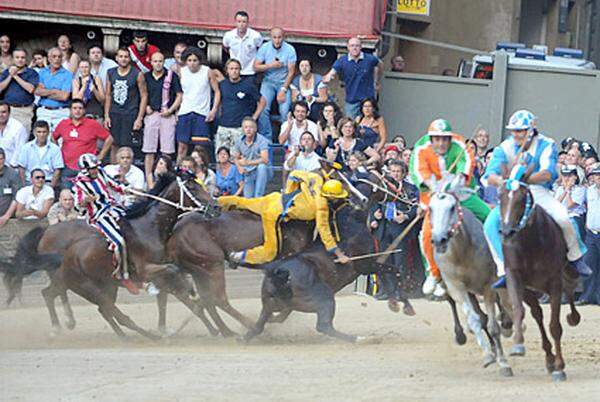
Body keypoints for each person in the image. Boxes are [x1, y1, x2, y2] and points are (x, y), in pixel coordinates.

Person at [482, 110, 591, 288]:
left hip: (538, 190)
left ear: (531, 131)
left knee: (564, 217)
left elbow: (548, 173)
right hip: (513, 191)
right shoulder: (505, 147)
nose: (517, 135)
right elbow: (490, 175)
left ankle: (575, 257)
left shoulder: (547, 144)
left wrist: (523, 178)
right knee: (489, 226)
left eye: (521, 131)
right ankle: (503, 269)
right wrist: (504, 181)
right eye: (514, 131)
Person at [409, 118, 491, 297]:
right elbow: (417, 172)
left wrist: (457, 179)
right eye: (437, 139)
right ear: (431, 140)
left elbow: (467, 162)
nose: (441, 143)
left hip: (460, 192)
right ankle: (434, 274)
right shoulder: (421, 148)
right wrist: (433, 186)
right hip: (434, 196)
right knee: (427, 234)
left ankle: (499, 261)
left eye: (444, 139)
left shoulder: (460, 143)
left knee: (489, 216)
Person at [218, 170, 352, 265]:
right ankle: (240, 256)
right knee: (270, 252)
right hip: (274, 214)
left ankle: (216, 202)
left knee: (243, 201)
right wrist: (340, 255)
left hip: (274, 198)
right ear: (332, 197)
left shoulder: (316, 180)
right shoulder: (321, 208)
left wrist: (289, 192)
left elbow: (294, 175)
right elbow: (325, 233)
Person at [72, 153, 138, 293]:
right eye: (92, 169)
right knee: (119, 241)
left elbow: (114, 185)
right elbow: (78, 205)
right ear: (85, 170)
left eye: (96, 167)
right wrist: (86, 201)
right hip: (98, 216)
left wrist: (128, 190)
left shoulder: (101, 172)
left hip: (114, 208)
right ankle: (123, 275)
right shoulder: (79, 183)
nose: (95, 170)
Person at [369, 159, 419, 301]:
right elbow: (374, 202)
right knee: (385, 261)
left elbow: (416, 207)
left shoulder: (410, 188)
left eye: (398, 172)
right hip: (384, 228)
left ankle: (399, 291)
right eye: (393, 171)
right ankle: (385, 290)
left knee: (399, 262)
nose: (395, 174)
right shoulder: (383, 186)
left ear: (403, 174)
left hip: (400, 229)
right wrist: (374, 215)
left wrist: (405, 216)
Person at [53, 99, 113, 189]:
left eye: (80, 108)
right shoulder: (63, 124)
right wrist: (58, 153)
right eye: (75, 108)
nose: (77, 110)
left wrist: (101, 155)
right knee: (68, 196)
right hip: (67, 167)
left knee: (87, 195)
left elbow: (109, 138)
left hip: (87, 169)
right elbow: (53, 137)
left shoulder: (93, 124)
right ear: (70, 110)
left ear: (84, 110)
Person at [176, 47, 220, 162]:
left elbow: (217, 91)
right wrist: (176, 109)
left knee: (199, 149)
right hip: (185, 112)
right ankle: (179, 173)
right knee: (181, 148)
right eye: (189, 60)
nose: (192, 63)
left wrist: (213, 110)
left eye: (195, 60)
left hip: (201, 113)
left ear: (199, 60)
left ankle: (200, 174)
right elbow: (179, 93)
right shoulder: (181, 71)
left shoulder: (207, 71)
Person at [142, 51, 182, 178]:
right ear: (151, 62)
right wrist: (146, 107)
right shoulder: (146, 76)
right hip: (152, 113)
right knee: (149, 149)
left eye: (160, 61)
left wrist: (171, 110)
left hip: (167, 115)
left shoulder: (171, 75)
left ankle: (166, 178)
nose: (158, 64)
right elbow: (142, 94)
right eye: (155, 61)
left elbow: (179, 95)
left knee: (167, 150)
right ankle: (148, 178)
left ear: (164, 62)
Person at [322, 37, 383, 118]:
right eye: (352, 46)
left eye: (357, 46)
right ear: (348, 47)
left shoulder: (369, 59)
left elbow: (380, 65)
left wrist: (377, 81)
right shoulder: (342, 61)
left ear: (361, 47)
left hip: (368, 101)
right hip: (352, 101)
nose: (354, 48)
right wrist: (328, 77)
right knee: (350, 125)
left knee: (370, 126)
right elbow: (332, 71)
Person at [105, 47, 147, 162]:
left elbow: (144, 96)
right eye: (121, 56)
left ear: (129, 58)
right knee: (114, 144)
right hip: (114, 113)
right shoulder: (110, 72)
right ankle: (113, 172)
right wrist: (106, 115)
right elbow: (108, 95)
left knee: (127, 146)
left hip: (130, 114)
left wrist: (139, 118)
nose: (123, 59)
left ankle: (126, 172)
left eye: (126, 57)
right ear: (116, 58)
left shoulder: (137, 74)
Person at [254, 27, 297, 140]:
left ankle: (284, 139)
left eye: (279, 37)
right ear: (270, 37)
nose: (277, 40)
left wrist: (283, 90)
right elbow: (256, 67)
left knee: (284, 110)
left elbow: (291, 72)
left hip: (283, 82)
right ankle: (265, 139)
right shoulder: (265, 47)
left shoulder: (290, 49)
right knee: (263, 108)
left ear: (284, 37)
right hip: (268, 81)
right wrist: (270, 65)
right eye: (274, 37)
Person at [215, 58, 264, 153]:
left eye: (236, 68)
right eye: (231, 68)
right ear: (227, 70)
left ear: (240, 70)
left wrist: (254, 117)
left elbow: (262, 101)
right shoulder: (222, 85)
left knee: (237, 157)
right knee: (220, 156)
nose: (234, 71)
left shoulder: (248, 85)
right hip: (223, 126)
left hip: (240, 128)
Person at [0, 48, 39, 133]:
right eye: (17, 57)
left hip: (25, 110)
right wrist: (10, 75)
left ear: (26, 59)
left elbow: (31, 89)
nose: (20, 60)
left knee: (23, 137)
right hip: (8, 110)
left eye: (22, 57)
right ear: (13, 59)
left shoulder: (31, 73)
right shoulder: (6, 72)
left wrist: (15, 76)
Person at [35, 47, 73, 134]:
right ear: (49, 58)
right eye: (54, 56)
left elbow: (64, 96)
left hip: (61, 112)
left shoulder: (68, 74)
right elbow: (37, 91)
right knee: (41, 141)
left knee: (61, 142)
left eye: (59, 57)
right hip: (44, 111)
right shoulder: (42, 72)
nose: (57, 59)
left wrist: (45, 92)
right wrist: (55, 91)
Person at [578, 165, 600, 305]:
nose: (597, 177)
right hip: (592, 233)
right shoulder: (589, 191)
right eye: (596, 175)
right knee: (589, 264)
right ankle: (586, 296)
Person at [17, 120, 63, 187]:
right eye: (39, 132)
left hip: (47, 182)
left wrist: (51, 187)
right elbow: (21, 167)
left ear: (48, 133)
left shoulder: (55, 149)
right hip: (30, 182)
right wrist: (24, 186)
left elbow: (58, 170)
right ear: (34, 133)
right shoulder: (26, 147)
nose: (42, 135)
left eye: (44, 132)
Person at [233, 117, 270, 198]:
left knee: (262, 167)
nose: (248, 129)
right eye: (246, 127)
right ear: (243, 129)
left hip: (260, 170)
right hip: (248, 171)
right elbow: (235, 158)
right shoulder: (239, 141)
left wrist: (248, 162)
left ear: (255, 129)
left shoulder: (262, 140)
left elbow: (265, 159)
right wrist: (239, 167)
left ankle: (259, 196)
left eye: (251, 127)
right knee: (248, 197)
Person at [222, 11, 263, 77]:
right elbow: (225, 47)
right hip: (234, 71)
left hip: (250, 71)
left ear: (247, 23)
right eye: (239, 21)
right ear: (235, 22)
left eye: (244, 22)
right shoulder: (229, 35)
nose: (241, 24)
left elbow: (260, 49)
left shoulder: (256, 36)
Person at [554, 165, 586, 234]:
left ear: (575, 177)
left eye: (569, 176)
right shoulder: (560, 189)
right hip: (562, 218)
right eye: (564, 176)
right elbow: (556, 204)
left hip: (574, 218)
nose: (566, 178)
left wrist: (568, 190)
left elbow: (570, 205)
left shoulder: (580, 189)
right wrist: (565, 190)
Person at [0, 102, 28, 167]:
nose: (0, 115)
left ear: (9, 113)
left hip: (11, 168)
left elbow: (19, 151)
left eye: (4, 112)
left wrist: (10, 168)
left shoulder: (18, 128)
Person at [0, 147, 21, 227]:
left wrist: (7, 216)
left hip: (9, 219)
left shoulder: (13, 175)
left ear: (4, 159)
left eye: (0, 159)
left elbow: (16, 198)